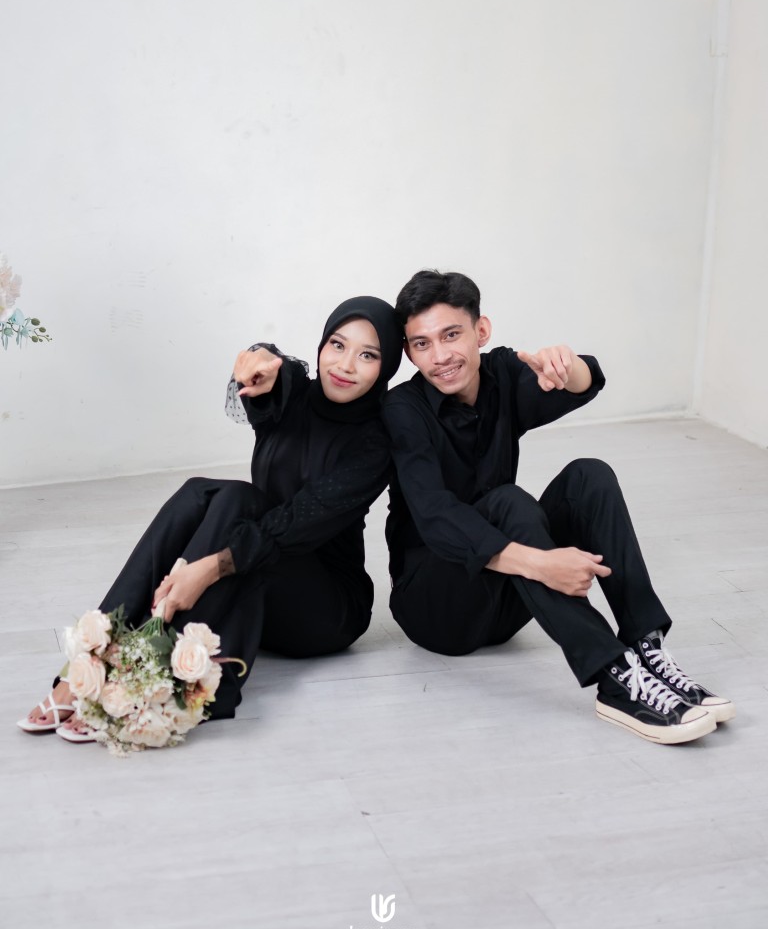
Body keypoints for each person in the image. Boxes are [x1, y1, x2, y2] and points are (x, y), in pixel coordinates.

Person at [18, 295, 402, 739]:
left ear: (386, 367)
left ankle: (146, 675)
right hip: (255, 571)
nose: (346, 364)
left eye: (368, 355)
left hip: (321, 605)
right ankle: (92, 658)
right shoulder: (295, 393)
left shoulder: (376, 442)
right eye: (337, 344)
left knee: (244, 503)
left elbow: (297, 522)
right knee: (207, 492)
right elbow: (268, 367)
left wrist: (206, 568)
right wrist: (258, 362)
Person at [382, 269, 734, 745]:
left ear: (481, 331)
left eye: (451, 335)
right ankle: (614, 677)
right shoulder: (403, 408)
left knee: (589, 476)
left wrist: (569, 368)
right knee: (507, 501)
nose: (440, 356)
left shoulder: (502, 372)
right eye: (422, 344)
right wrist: (541, 564)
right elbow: (435, 517)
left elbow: (583, 382)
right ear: (409, 352)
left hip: (506, 600)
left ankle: (647, 650)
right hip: (437, 610)